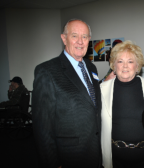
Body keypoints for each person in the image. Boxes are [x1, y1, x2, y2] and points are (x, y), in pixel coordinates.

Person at [32, 19, 102, 168]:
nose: (80, 42)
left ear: (89, 40)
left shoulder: (92, 67)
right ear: (64, 38)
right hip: (68, 157)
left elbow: (89, 99)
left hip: (94, 151)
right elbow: (42, 128)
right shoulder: (47, 71)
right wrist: (52, 163)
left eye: (85, 37)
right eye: (74, 36)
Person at [100, 40, 144, 168]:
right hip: (114, 159)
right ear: (113, 65)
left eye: (130, 61)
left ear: (137, 66)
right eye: (120, 61)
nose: (125, 66)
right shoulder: (102, 89)